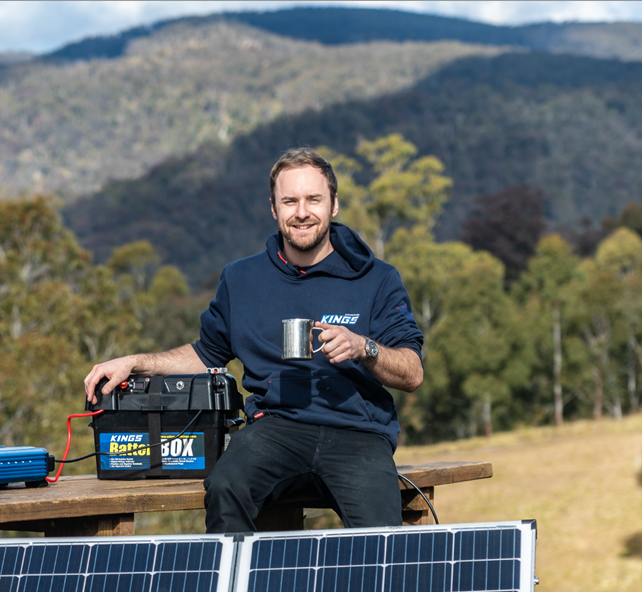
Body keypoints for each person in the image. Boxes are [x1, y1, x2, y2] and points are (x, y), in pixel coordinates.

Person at [83, 147, 425, 532]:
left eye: (313, 199)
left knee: (381, 535)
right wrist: (135, 361)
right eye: (289, 201)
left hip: (359, 434)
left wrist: (364, 348)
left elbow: (412, 373)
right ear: (274, 209)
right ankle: (240, 590)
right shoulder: (242, 279)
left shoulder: (377, 278)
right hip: (275, 429)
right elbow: (206, 354)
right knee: (226, 486)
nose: (301, 212)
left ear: (333, 206)